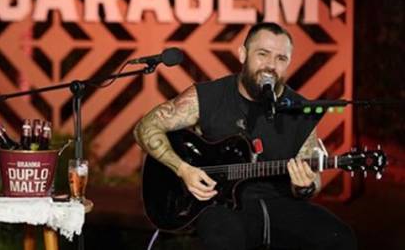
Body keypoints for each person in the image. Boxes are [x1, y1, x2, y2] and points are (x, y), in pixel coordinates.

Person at [134, 22, 356, 250]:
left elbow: (312, 181)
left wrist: (304, 186)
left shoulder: (299, 110)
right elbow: (145, 127)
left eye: (281, 58)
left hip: (279, 204)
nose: (271, 65)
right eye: (263, 54)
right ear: (243, 54)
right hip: (219, 204)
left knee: (340, 239)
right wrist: (183, 169)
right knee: (224, 238)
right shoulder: (209, 96)